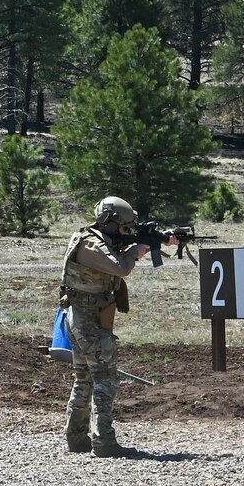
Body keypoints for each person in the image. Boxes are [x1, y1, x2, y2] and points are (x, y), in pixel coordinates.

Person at [58, 196, 150, 458]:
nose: (126, 233)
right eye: (123, 228)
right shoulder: (92, 244)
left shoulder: (92, 239)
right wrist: (133, 253)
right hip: (89, 320)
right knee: (104, 380)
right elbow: (120, 268)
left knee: (84, 379)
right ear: (110, 224)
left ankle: (77, 439)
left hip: (84, 317)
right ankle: (104, 441)